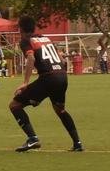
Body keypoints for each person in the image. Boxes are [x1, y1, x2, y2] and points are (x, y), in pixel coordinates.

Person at [10, 15, 83, 152]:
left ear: (20, 29)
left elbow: (31, 57)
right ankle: (77, 143)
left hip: (48, 78)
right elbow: (61, 59)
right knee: (60, 109)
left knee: (15, 105)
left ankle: (32, 138)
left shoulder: (26, 41)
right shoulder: (45, 38)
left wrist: (25, 82)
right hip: (62, 76)